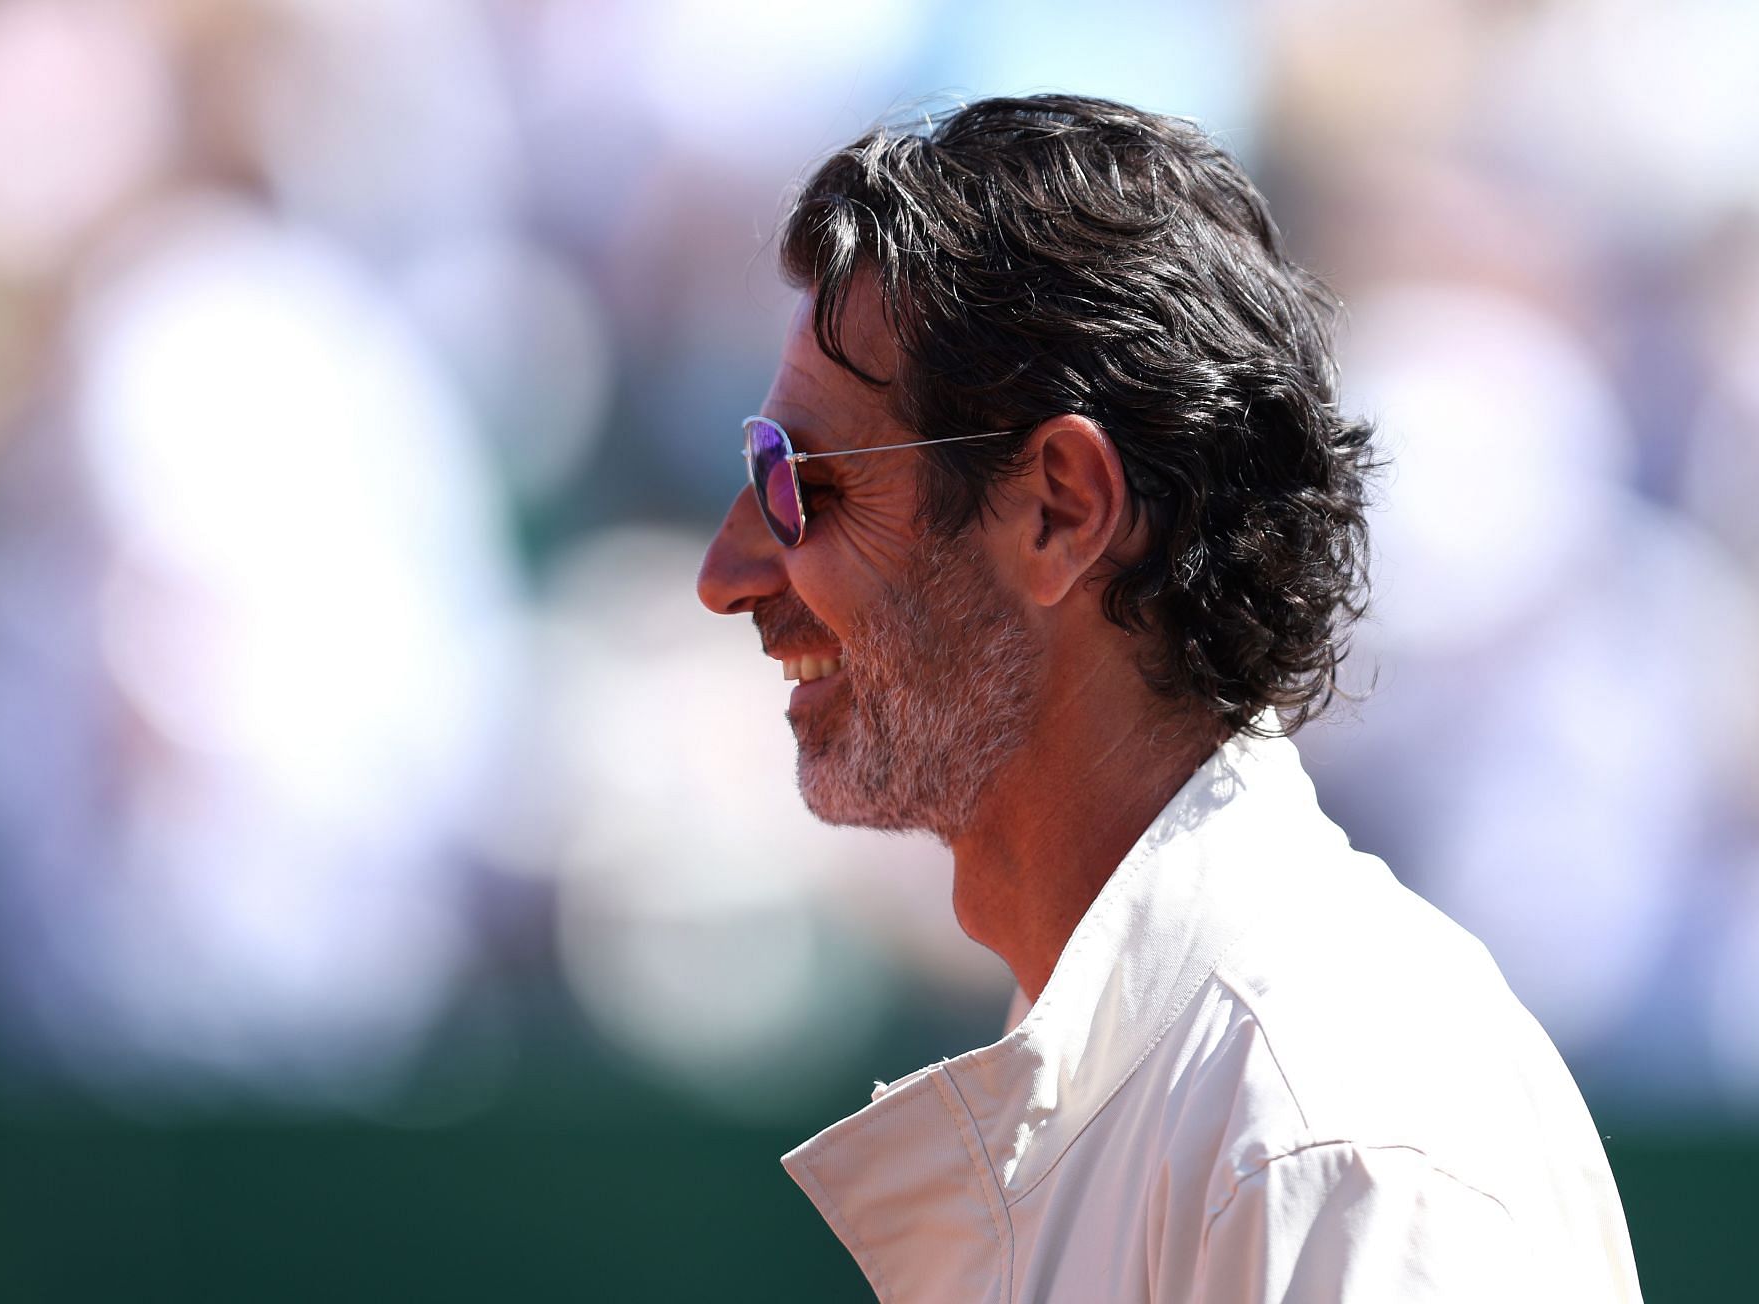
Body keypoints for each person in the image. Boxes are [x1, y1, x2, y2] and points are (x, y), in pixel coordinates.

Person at [696, 95, 1641, 1303]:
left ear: (1060, 509)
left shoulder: (1328, 1138)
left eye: (799, 482)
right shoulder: (1221, 1096)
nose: (727, 576)